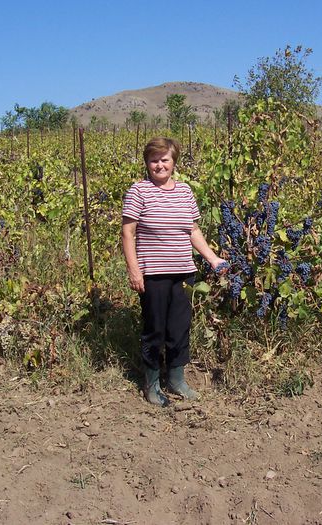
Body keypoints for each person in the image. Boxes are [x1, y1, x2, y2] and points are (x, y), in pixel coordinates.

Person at [121, 137, 225, 407]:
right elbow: (128, 232)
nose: (159, 165)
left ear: (173, 162)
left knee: (179, 328)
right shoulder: (138, 191)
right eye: (154, 160)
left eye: (164, 159)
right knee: (155, 329)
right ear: (147, 163)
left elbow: (193, 230)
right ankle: (152, 384)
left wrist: (213, 259)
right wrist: (134, 269)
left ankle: (177, 380)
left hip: (183, 272)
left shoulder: (185, 192)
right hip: (152, 274)